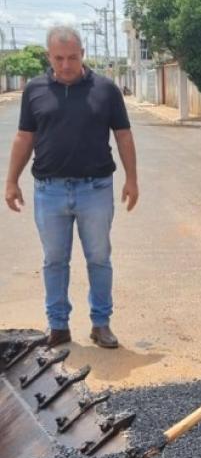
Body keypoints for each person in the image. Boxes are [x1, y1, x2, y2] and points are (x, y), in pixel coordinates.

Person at [4, 26, 138, 349]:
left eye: (73, 58)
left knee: (99, 258)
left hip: (95, 189)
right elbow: (25, 137)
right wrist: (11, 181)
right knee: (54, 260)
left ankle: (101, 323)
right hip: (49, 191)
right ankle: (58, 326)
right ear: (49, 57)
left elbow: (123, 135)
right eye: (59, 58)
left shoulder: (106, 90)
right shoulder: (34, 91)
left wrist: (132, 179)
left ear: (83, 55)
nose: (66, 65)